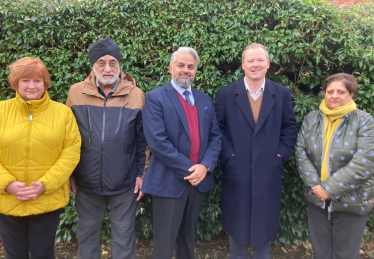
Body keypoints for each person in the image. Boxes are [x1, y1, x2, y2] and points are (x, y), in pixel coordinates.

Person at [66, 37, 147, 259]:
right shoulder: (75, 93)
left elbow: (143, 141)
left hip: (125, 181)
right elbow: (69, 138)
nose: (108, 68)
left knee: (124, 236)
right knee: (87, 235)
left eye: (113, 62)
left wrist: (141, 173)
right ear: (93, 65)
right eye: (101, 62)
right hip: (86, 181)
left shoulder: (136, 95)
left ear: (120, 65)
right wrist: (70, 174)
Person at [214, 43, 298, 259]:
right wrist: (228, 156)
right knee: (237, 222)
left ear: (268, 64)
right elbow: (217, 129)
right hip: (236, 169)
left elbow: (289, 126)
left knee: (265, 224)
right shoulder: (225, 94)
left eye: (260, 60)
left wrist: (280, 155)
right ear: (243, 65)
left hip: (268, 169)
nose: (255, 65)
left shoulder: (281, 93)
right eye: (250, 60)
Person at [141, 47, 221, 259]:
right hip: (168, 182)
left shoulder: (204, 100)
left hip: (198, 182)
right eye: (181, 65)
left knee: (188, 239)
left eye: (190, 67)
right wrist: (191, 170)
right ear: (171, 68)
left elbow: (216, 137)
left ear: (195, 71)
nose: (185, 70)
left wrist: (205, 166)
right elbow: (157, 142)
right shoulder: (155, 98)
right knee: (164, 242)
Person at [0, 57, 81, 259]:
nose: (32, 86)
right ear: (15, 83)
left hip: (46, 198)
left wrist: (46, 184)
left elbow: (71, 152)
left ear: (45, 83)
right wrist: (6, 183)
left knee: (43, 253)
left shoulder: (63, 113)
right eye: (25, 80)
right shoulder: (1, 111)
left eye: (37, 80)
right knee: (14, 255)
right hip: (7, 200)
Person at [295, 73, 374, 259]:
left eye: (341, 91)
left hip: (352, 200)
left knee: (345, 254)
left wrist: (329, 189)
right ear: (324, 93)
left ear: (351, 94)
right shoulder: (311, 119)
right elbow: (300, 153)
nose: (335, 96)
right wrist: (318, 188)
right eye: (330, 91)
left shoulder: (364, 121)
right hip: (317, 199)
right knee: (321, 252)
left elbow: (366, 161)